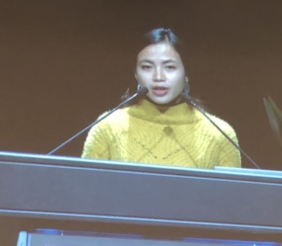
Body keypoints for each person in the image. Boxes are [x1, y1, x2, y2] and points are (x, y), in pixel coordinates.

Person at [82, 28, 242, 169]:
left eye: (169, 67)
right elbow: (83, 195)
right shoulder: (107, 128)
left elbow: (232, 201)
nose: (158, 77)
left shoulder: (220, 135)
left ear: (186, 74)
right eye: (147, 67)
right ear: (136, 74)